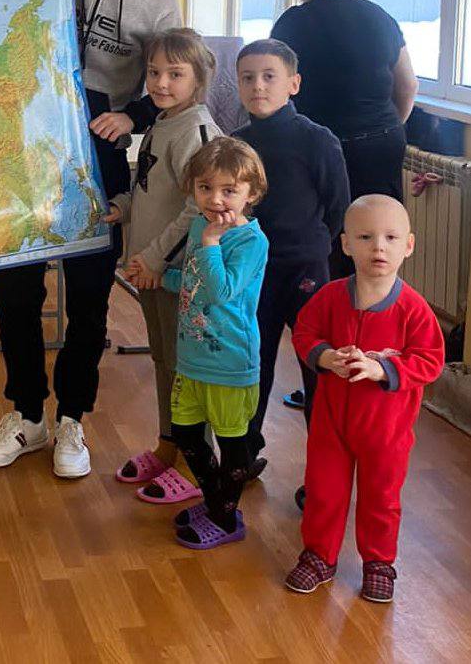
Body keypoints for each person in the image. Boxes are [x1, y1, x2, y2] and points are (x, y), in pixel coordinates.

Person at [0, 0, 182, 478]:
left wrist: (133, 115)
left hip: (99, 154)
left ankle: (71, 421)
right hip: (24, 148)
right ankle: (27, 415)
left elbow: (176, 79)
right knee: (14, 292)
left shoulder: (159, 3)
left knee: (89, 299)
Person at [285, 195, 444, 603]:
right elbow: (304, 332)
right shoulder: (330, 296)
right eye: (365, 237)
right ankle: (319, 556)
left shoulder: (414, 310)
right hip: (331, 424)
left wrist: (382, 370)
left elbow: (430, 361)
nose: (379, 247)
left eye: (391, 238)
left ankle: (378, 563)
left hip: (387, 432)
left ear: (408, 245)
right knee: (323, 491)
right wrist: (324, 357)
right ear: (345, 244)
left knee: (381, 498)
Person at [107, 28, 222, 504]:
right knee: (164, 362)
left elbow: (201, 208)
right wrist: (123, 207)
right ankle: (169, 445)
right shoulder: (163, 121)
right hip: (152, 271)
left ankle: (197, 464)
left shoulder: (197, 131)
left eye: (175, 74)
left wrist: (156, 258)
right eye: (154, 72)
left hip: (179, 275)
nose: (160, 82)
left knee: (187, 369)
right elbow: (155, 187)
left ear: (199, 78)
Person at [231, 40, 349, 497]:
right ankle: (243, 456)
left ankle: (323, 474)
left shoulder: (317, 140)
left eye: (269, 76)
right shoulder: (236, 144)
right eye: (247, 78)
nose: (257, 86)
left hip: (306, 270)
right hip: (253, 272)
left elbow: (337, 207)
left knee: (317, 369)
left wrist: (311, 248)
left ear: (293, 84)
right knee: (252, 363)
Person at [271, 0, 417, 276]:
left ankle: (329, 301)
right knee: (379, 232)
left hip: (317, 144)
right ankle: (376, 301)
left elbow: (276, 84)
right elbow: (408, 84)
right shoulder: (379, 17)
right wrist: (387, 126)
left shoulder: (292, 22)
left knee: (325, 234)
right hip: (379, 144)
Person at [161, 137, 268, 549]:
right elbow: (197, 280)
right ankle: (216, 500)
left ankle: (226, 519)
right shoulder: (199, 226)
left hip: (229, 363)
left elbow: (222, 291)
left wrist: (210, 242)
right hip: (192, 358)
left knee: (232, 442)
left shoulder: (250, 242)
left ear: (251, 194)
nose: (215, 199)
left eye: (229, 190)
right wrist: (166, 278)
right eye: (205, 187)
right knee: (187, 435)